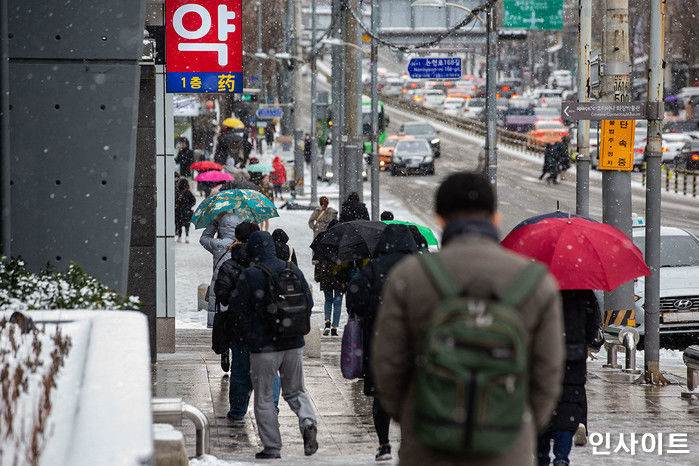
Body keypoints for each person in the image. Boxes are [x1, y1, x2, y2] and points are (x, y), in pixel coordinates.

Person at [372, 171, 565, 466]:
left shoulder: (411, 277)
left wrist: (418, 416)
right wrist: (514, 421)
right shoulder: (536, 282)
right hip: (507, 448)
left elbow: (388, 367)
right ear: (495, 217)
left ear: (439, 219)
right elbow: (548, 375)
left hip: (428, 446)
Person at [230, 231, 318, 459]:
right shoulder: (292, 268)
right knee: (296, 391)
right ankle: (308, 422)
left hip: (264, 347)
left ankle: (272, 447)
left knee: (265, 396)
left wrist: (250, 332)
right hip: (294, 343)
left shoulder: (250, 275)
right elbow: (308, 303)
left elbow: (237, 309)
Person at [346, 224, 417, 462]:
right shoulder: (420, 268)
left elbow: (354, 298)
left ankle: (384, 444)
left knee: (381, 395)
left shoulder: (374, 268)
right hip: (413, 343)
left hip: (380, 341)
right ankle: (408, 442)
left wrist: (370, 311)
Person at [214, 222, 281, 421]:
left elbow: (222, 295)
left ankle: (237, 410)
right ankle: (272, 409)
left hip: (239, 327)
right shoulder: (270, 264)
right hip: (268, 328)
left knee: (240, 371)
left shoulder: (229, 264)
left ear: (237, 238)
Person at [537, 290, 602, 466]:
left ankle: (541, 457)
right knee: (568, 408)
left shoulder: (537, 286)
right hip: (573, 359)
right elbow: (592, 329)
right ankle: (561, 458)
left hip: (541, 356)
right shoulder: (583, 291)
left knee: (541, 407)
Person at [200, 212, 241, 331]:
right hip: (237, 285)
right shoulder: (242, 245)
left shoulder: (217, 245)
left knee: (220, 320)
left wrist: (215, 223)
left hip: (219, 284)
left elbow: (204, 238)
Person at [313, 219, 344, 336]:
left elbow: (317, 257)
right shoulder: (342, 240)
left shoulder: (323, 237)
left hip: (326, 272)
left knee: (328, 299)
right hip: (339, 272)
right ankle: (334, 327)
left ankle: (327, 322)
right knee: (338, 301)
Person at [174, 178, 196, 243]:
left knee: (179, 224)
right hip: (187, 211)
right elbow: (194, 201)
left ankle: (179, 237)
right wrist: (189, 206)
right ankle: (187, 236)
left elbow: (174, 201)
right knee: (187, 224)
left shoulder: (177, 192)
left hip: (179, 211)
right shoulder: (188, 192)